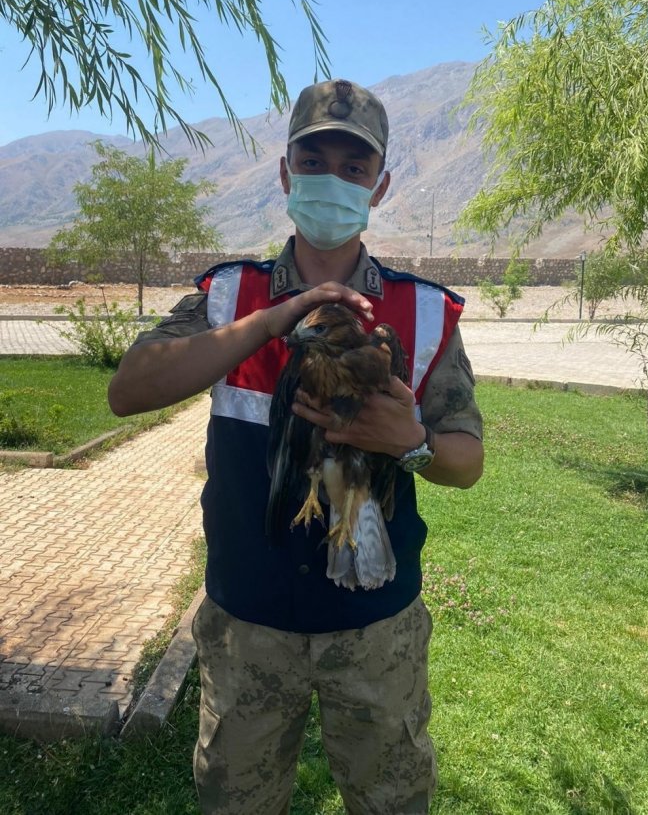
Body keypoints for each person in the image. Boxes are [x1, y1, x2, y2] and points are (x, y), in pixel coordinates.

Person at [108, 78, 484, 815]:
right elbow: (128, 391)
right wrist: (274, 319)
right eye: (314, 162)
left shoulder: (422, 310)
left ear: (379, 186)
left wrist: (410, 443)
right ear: (285, 174)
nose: (331, 180)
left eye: (353, 167)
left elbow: (467, 462)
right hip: (248, 624)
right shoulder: (229, 297)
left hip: (375, 627)